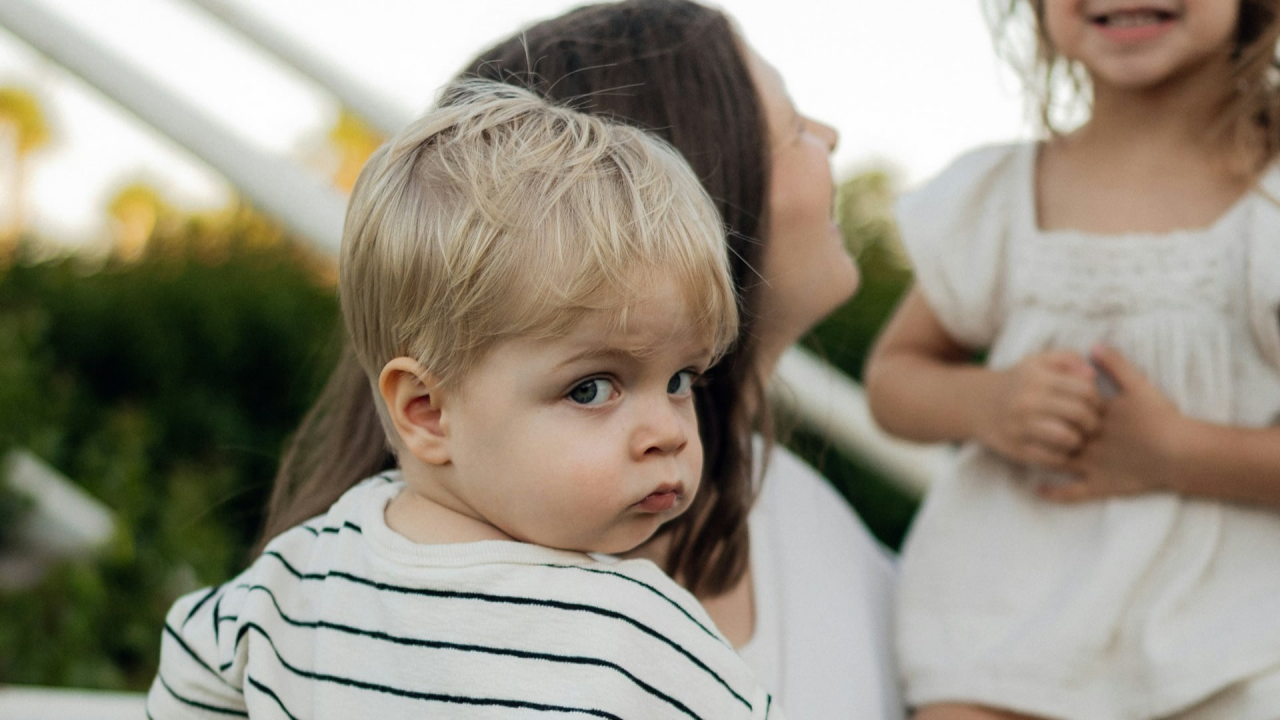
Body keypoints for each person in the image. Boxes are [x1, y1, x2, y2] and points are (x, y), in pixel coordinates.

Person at [257, 1, 901, 717]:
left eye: (681, 380)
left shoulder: (794, 504)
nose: (831, 137)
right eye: (791, 130)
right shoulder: (356, 591)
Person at [147, 81, 782, 719]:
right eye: (591, 389)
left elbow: (189, 677)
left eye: (681, 380)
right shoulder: (639, 642)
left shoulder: (302, 573)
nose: (667, 432)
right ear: (426, 410)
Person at [865, 0, 1280, 718]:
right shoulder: (1001, 196)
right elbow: (893, 378)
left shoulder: (1268, 205)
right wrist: (986, 403)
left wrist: (1176, 452)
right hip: (998, 635)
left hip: (1233, 648)